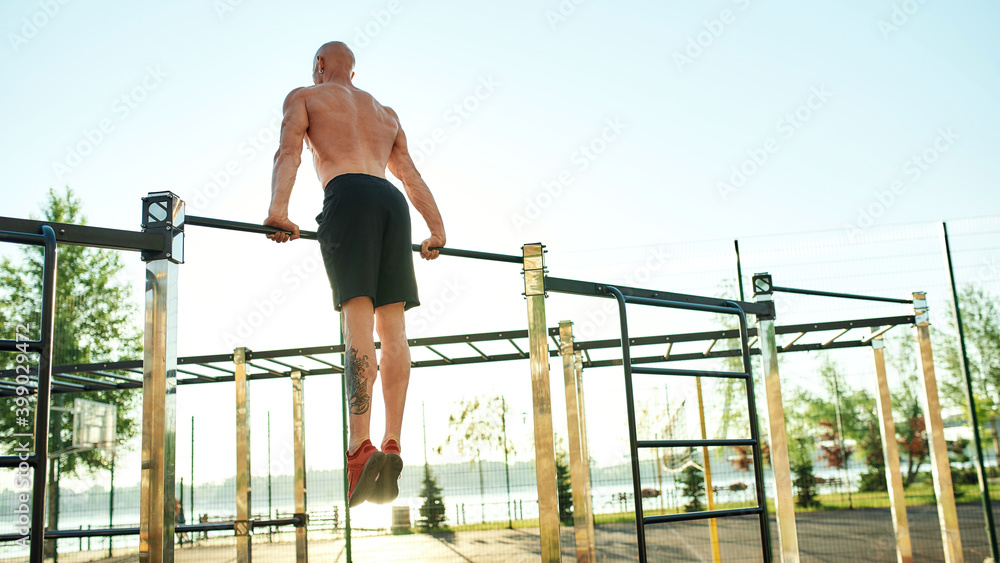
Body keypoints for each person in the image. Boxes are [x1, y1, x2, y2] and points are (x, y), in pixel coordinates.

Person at [264, 41, 446, 508]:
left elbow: (289, 154)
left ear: (321, 65)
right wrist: (437, 229)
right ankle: (392, 441)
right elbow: (408, 173)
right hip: (392, 203)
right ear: (354, 69)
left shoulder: (305, 95)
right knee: (395, 329)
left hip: (347, 195)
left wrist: (278, 211)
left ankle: (359, 448)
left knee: (358, 324)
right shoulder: (385, 112)